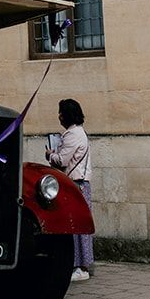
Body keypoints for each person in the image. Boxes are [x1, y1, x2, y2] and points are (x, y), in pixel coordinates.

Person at [48, 97, 94, 281]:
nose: (59, 116)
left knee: (75, 225)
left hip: (75, 184)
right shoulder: (79, 132)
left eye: (61, 112)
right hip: (81, 183)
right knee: (80, 225)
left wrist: (51, 155)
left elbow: (63, 160)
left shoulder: (72, 135)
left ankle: (80, 266)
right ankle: (82, 264)